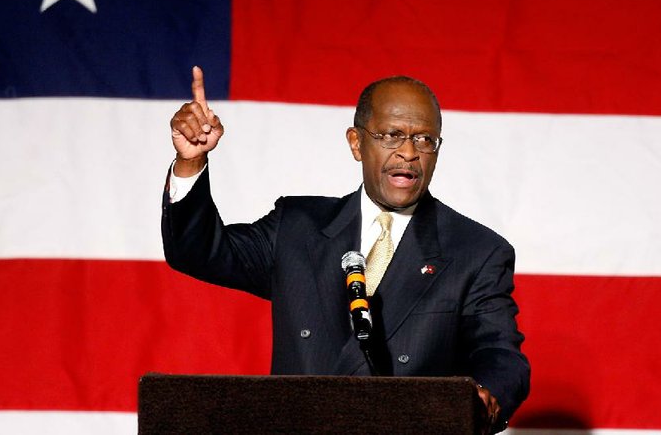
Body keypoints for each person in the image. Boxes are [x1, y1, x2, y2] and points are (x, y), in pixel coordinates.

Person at [162, 66, 530, 432]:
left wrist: (485, 393)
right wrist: (191, 161)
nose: (408, 152)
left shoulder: (476, 252)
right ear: (356, 143)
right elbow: (197, 252)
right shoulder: (297, 227)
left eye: (424, 140)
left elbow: (500, 354)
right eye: (391, 135)